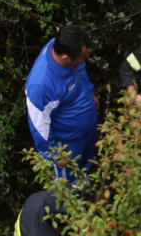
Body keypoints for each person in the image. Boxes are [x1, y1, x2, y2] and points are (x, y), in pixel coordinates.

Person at [25, 25, 99, 182]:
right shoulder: (41, 84)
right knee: (68, 191)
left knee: (86, 176)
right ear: (66, 58)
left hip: (87, 133)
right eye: (82, 58)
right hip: (68, 142)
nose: (85, 59)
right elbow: (39, 125)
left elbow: (80, 72)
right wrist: (55, 154)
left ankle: (87, 199)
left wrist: (89, 94)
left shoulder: (66, 45)